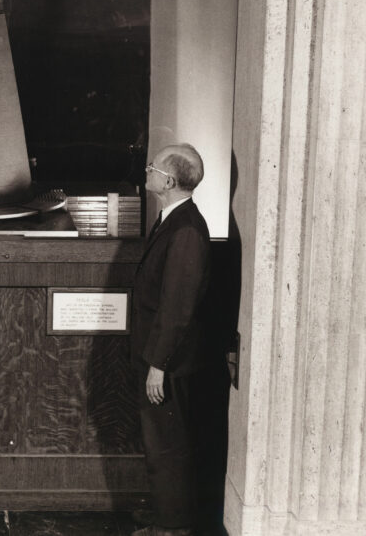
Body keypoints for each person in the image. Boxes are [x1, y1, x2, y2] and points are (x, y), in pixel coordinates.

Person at [131, 143, 214, 536]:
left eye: (153, 167)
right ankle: (167, 522)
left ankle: (173, 530)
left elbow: (177, 308)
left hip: (168, 365)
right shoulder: (174, 221)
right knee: (161, 443)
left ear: (168, 181)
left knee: (167, 447)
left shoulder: (185, 231)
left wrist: (157, 366)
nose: (147, 170)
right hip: (161, 359)